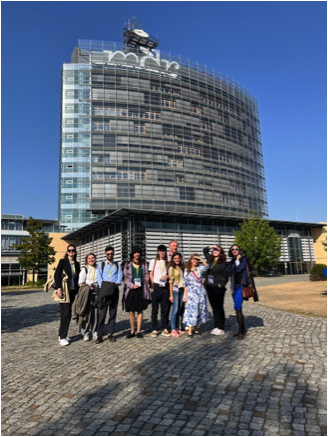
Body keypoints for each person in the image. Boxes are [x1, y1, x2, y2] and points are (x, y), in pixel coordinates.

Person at [226, 244, 259, 339]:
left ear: (240, 250)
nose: (235, 250)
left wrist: (236, 262)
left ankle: (241, 332)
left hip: (241, 286)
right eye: (233, 249)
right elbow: (228, 269)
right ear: (231, 251)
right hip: (234, 287)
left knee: (237, 306)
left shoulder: (243, 259)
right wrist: (235, 261)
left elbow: (239, 269)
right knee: (238, 309)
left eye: (236, 249)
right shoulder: (232, 260)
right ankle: (242, 330)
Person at [95, 246, 123, 344]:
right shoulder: (101, 265)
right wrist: (104, 287)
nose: (110, 255)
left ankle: (110, 334)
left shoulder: (118, 265)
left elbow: (120, 277)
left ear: (114, 254)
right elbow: (99, 278)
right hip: (104, 291)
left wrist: (115, 284)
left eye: (111, 253)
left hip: (114, 290)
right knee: (102, 314)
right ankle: (99, 335)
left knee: (112, 313)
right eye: (108, 254)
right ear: (105, 254)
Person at [123, 246, 152, 339]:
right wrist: (132, 285)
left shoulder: (143, 263)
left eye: (138, 252)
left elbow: (146, 274)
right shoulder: (127, 264)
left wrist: (147, 278)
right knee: (131, 311)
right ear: (132, 254)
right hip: (131, 290)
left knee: (140, 309)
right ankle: (132, 331)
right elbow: (125, 278)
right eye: (135, 252)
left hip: (141, 289)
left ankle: (139, 331)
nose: (137, 254)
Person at [55, 244, 81, 346]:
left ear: (75, 252)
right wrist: (59, 288)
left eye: (73, 250)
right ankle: (62, 337)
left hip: (74, 291)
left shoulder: (77, 264)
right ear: (67, 252)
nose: (71, 252)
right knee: (65, 313)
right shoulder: (63, 262)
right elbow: (57, 274)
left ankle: (62, 334)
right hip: (65, 291)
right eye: (69, 250)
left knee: (69, 314)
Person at [203, 245, 229, 335]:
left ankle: (221, 327)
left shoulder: (222, 264)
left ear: (221, 253)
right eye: (214, 250)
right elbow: (205, 250)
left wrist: (221, 285)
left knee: (219, 307)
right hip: (209, 287)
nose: (215, 251)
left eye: (217, 250)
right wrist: (213, 246)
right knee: (214, 308)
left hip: (218, 288)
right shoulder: (210, 260)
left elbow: (226, 277)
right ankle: (216, 326)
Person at [183, 254, 209, 338]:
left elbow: (207, 266)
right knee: (191, 311)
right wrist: (186, 295)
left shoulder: (200, 268)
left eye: (196, 260)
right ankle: (190, 330)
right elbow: (185, 284)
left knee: (200, 309)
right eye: (194, 259)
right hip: (191, 292)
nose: (195, 261)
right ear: (190, 260)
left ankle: (196, 328)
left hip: (201, 292)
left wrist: (200, 258)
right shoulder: (187, 270)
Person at [149, 244, 171, 338]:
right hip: (156, 286)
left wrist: (167, 276)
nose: (162, 253)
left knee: (164, 309)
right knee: (154, 309)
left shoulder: (168, 262)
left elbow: (170, 274)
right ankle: (154, 328)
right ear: (158, 252)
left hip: (165, 287)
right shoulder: (153, 261)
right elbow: (151, 274)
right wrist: (152, 285)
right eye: (160, 251)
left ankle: (164, 327)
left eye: (164, 251)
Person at [77, 252, 99, 341]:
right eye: (89, 258)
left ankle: (95, 331)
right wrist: (88, 287)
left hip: (97, 294)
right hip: (87, 295)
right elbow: (80, 283)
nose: (91, 260)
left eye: (93, 258)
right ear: (87, 260)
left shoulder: (98, 269)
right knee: (87, 315)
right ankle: (85, 333)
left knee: (96, 315)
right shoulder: (84, 269)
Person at [168, 253, 185, 338]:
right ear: (173, 259)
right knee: (174, 310)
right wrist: (171, 295)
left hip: (181, 289)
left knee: (179, 309)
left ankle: (177, 327)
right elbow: (170, 282)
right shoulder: (171, 268)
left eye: (178, 258)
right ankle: (173, 329)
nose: (177, 260)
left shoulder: (181, 267)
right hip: (175, 291)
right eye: (175, 258)